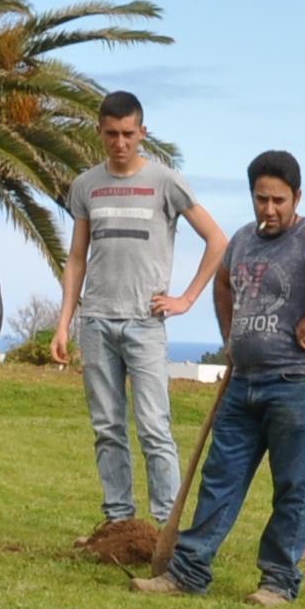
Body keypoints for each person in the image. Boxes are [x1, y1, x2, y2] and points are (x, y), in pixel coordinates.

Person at [135, 149, 305, 604]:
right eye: (261, 199)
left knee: (293, 485)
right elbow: (222, 283)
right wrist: (232, 338)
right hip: (243, 382)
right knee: (219, 477)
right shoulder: (242, 240)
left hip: (300, 382)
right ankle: (187, 572)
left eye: (278, 200)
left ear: (296, 197)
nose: (269, 209)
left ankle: (278, 581)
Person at [49, 94, 219, 530]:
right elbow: (76, 258)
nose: (120, 143)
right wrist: (64, 323)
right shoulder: (86, 185)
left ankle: (166, 527)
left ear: (143, 133)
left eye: (128, 134)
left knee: (154, 428)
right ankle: (118, 523)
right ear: (100, 132)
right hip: (97, 321)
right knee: (107, 427)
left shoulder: (166, 182)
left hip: (145, 323)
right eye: (111, 134)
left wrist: (185, 299)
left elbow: (217, 240)